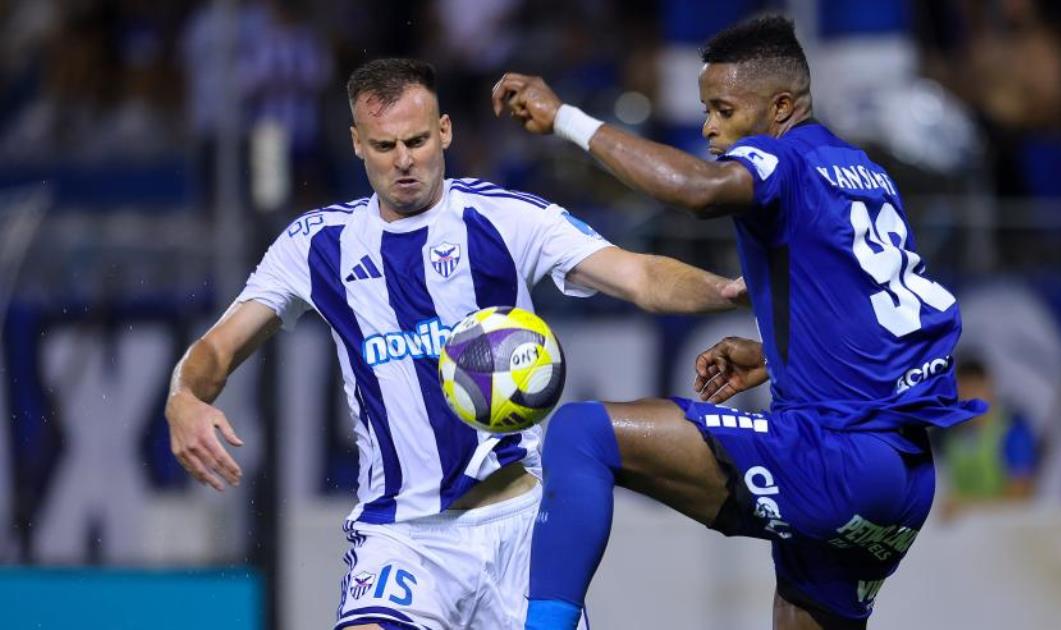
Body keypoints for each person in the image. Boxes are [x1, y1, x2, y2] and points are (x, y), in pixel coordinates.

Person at [165, 57, 744, 630]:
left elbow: (640, 276)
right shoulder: (315, 247)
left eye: (417, 141)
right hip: (403, 536)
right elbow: (218, 348)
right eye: (385, 146)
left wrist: (733, 291)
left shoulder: (506, 220)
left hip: (519, 528)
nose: (404, 160)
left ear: (444, 131)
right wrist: (184, 396)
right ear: (357, 144)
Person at [493, 15, 986, 630]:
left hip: (838, 457)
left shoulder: (782, 157)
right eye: (706, 110)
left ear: (780, 108)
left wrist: (566, 118)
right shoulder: (863, 172)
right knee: (798, 612)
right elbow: (874, 309)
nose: (709, 127)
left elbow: (698, 191)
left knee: (581, 434)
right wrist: (778, 356)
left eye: (723, 110)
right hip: (905, 476)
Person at [939, 357, 1036, 519]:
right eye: (963, 393)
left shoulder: (1012, 432)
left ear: (989, 387)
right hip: (966, 529)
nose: (968, 399)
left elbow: (1021, 495)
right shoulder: (950, 435)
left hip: (1003, 527)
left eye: (974, 390)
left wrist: (968, 507)